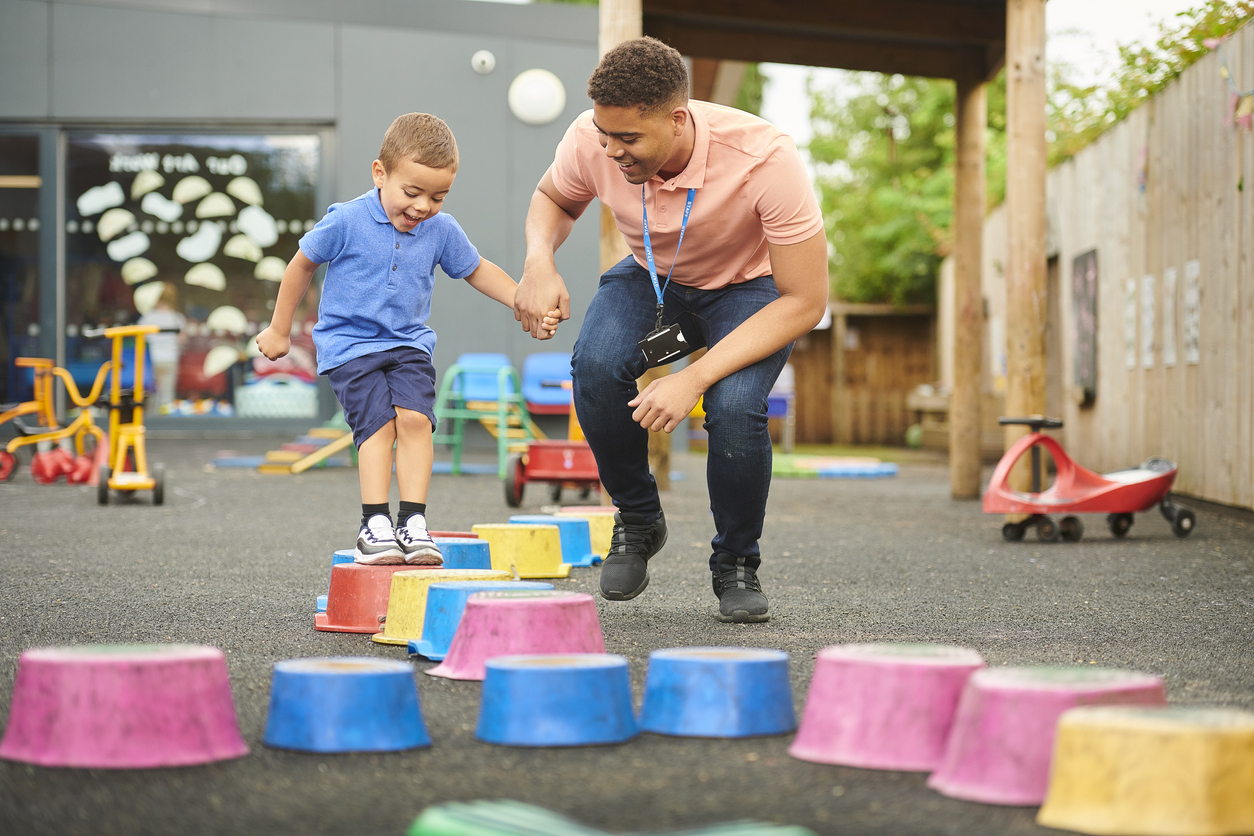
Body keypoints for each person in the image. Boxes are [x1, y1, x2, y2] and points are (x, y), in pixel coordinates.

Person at [514, 38, 828, 623]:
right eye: (605, 135)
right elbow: (553, 198)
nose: (611, 151)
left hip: (752, 291)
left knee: (733, 407)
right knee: (597, 365)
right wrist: (539, 261)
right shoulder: (593, 137)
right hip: (657, 281)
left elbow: (806, 301)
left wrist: (695, 376)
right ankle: (637, 519)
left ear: (678, 119)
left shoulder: (765, 158)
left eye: (628, 139)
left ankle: (736, 561)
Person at [258, 113, 560, 565]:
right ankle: (374, 523)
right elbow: (301, 264)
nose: (423, 207)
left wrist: (524, 300)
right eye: (412, 193)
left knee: (416, 420)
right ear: (380, 174)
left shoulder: (441, 230)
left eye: (438, 196)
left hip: (408, 345)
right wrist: (280, 328)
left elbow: (477, 270)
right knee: (378, 426)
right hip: (350, 344)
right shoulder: (346, 220)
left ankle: (413, 521)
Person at [138, 282, 186, 411]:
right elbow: (182, 339)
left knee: (152, 392)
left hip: (152, 359)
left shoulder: (148, 317)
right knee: (167, 393)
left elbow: (140, 337)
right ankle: (166, 421)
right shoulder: (176, 318)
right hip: (170, 358)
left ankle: (152, 419)